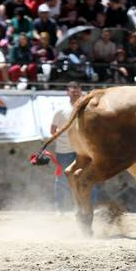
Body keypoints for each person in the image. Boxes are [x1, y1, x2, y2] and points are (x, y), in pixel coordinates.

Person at [50, 82, 82, 211]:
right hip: (64, 151)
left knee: (85, 178)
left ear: (81, 91)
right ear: (67, 92)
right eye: (72, 89)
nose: (75, 91)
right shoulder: (61, 110)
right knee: (61, 180)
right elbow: (52, 130)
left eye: (77, 89)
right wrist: (64, 139)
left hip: (82, 150)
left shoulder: (86, 109)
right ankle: (60, 209)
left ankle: (84, 207)